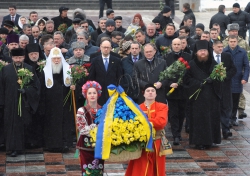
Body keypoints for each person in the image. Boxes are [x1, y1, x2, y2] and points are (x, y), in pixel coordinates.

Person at [0, 48, 40, 157]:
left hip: (23, 103)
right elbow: (1, 87)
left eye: (20, 57)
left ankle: (20, 147)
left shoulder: (29, 69)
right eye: (16, 58)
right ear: (12, 58)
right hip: (9, 103)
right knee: (11, 125)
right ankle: (12, 148)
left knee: (21, 125)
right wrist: (2, 102)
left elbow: (36, 87)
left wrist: (26, 90)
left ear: (24, 57)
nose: (18, 60)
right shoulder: (5, 69)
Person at [184, 40, 222, 150]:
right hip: (198, 99)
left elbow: (220, 79)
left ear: (208, 52)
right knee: (199, 120)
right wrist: (198, 83)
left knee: (211, 119)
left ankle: (211, 140)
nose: (203, 53)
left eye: (205, 50)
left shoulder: (214, 64)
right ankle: (199, 142)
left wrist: (213, 80)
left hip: (211, 98)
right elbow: (186, 80)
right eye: (200, 51)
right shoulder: (191, 64)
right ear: (196, 52)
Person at [125, 84, 168, 176]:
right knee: (140, 167)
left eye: (153, 91)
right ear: (143, 94)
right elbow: (132, 124)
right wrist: (152, 122)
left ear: (156, 94)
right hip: (141, 143)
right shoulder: (136, 108)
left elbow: (161, 122)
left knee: (157, 167)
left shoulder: (162, 106)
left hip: (157, 142)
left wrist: (143, 121)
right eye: (148, 91)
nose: (150, 92)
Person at [40, 47, 73, 152]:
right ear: (50, 59)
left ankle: (65, 144)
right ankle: (52, 145)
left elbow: (71, 86)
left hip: (64, 103)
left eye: (58, 58)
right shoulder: (45, 71)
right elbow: (42, 89)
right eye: (54, 59)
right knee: (52, 124)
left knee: (64, 123)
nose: (57, 60)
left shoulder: (68, 70)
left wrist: (74, 86)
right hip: (51, 105)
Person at [163, 38, 191, 145]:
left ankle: (178, 131)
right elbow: (164, 72)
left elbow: (190, 72)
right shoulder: (166, 57)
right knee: (173, 113)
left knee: (182, 113)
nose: (176, 46)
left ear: (182, 45)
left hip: (184, 90)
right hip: (171, 89)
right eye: (174, 44)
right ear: (171, 45)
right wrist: (170, 83)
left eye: (178, 44)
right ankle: (176, 135)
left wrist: (182, 82)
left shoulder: (187, 57)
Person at [76, 81, 104, 175]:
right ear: (86, 95)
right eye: (89, 93)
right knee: (87, 171)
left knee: (99, 170)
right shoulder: (81, 110)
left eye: (94, 93)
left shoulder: (103, 110)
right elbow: (82, 129)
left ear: (98, 94)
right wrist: (95, 129)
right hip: (85, 146)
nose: (92, 95)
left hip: (100, 146)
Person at [222, 23, 249, 119]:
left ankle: (237, 114)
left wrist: (245, 77)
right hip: (227, 77)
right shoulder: (224, 48)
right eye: (232, 31)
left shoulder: (243, 47)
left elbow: (246, 63)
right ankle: (227, 118)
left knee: (237, 97)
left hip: (238, 76)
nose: (234, 32)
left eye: (236, 31)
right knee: (227, 99)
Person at [212, 40, 236, 139]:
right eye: (218, 47)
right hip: (213, 88)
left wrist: (225, 76)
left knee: (226, 108)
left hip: (225, 87)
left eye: (222, 46)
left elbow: (233, 69)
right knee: (214, 109)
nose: (221, 48)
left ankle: (226, 130)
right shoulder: (209, 57)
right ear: (213, 47)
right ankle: (215, 130)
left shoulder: (227, 56)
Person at [89, 39, 122, 105]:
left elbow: (120, 76)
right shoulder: (95, 60)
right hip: (99, 92)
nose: (106, 49)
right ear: (100, 47)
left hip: (113, 91)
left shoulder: (117, 60)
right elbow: (92, 77)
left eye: (108, 47)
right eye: (104, 47)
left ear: (111, 48)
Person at [24, 43, 45, 148]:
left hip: (42, 99)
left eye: (36, 53)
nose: (33, 56)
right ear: (27, 54)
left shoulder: (44, 65)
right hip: (29, 100)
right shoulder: (24, 67)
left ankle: (39, 141)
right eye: (31, 54)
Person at [67, 42, 90, 109]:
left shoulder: (89, 60)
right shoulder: (69, 62)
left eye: (80, 50)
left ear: (84, 51)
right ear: (73, 51)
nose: (78, 52)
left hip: (87, 87)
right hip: (75, 89)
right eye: (76, 50)